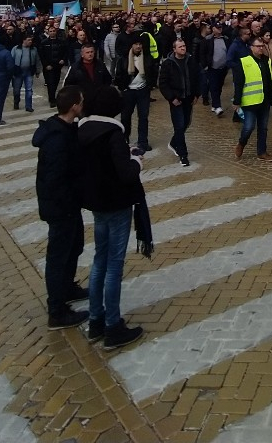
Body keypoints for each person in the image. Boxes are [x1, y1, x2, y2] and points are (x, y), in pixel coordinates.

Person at [76, 85, 149, 350]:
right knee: (114, 264)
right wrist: (137, 161)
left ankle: (96, 319)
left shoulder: (83, 129)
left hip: (96, 201)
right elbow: (126, 173)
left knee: (100, 259)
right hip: (116, 202)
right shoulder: (113, 132)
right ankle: (112, 325)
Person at [33, 85, 89, 330]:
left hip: (69, 204)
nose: (83, 104)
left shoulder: (67, 129)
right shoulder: (56, 138)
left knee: (74, 246)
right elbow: (55, 178)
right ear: (74, 106)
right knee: (58, 256)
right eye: (82, 101)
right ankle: (56, 310)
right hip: (60, 206)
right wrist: (66, 203)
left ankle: (67, 288)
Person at [234, 36, 272, 160]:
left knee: (263, 127)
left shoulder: (266, 60)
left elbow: (270, 80)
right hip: (250, 101)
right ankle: (241, 143)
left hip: (265, 100)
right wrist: (237, 101)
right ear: (251, 48)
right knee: (249, 127)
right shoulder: (244, 62)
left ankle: (262, 152)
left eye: (262, 46)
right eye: (258, 46)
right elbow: (239, 83)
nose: (261, 48)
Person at [158, 37, 199, 166]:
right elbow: (163, 83)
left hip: (188, 98)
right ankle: (183, 155)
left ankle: (173, 142)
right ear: (174, 49)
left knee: (186, 123)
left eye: (184, 46)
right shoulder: (168, 63)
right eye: (180, 47)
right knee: (179, 126)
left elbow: (197, 77)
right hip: (176, 99)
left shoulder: (190, 60)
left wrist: (197, 94)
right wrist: (171, 98)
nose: (183, 48)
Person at [116, 39, 153, 153]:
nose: (138, 46)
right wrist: (124, 88)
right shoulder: (124, 59)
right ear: (131, 45)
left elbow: (152, 72)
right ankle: (125, 139)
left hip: (143, 91)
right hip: (128, 92)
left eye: (140, 44)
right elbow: (118, 75)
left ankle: (143, 142)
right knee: (125, 117)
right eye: (136, 44)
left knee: (143, 117)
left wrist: (149, 85)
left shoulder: (147, 58)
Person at [11, 37, 40, 113]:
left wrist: (37, 71)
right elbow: (11, 59)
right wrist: (11, 71)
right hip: (18, 71)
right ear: (24, 40)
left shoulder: (34, 49)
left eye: (31, 40)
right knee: (17, 89)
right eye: (28, 40)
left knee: (29, 90)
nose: (30, 41)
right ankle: (16, 101)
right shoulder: (16, 48)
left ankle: (28, 106)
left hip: (29, 71)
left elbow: (37, 60)